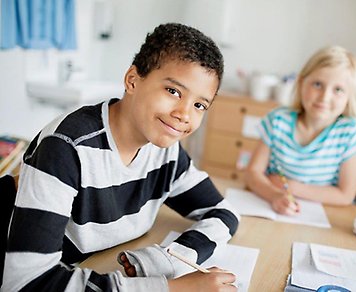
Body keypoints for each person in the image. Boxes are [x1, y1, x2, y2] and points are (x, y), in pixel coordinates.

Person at [3, 23, 240, 292]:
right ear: (132, 80)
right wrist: (172, 289)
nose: (184, 114)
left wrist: (169, 259)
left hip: (96, 268)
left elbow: (224, 213)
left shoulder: (166, 152)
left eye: (199, 105)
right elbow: (26, 284)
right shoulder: (67, 146)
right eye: (173, 91)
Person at [245, 46, 356, 215]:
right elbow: (252, 173)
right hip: (270, 208)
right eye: (317, 84)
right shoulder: (277, 121)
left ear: (350, 96)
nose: (324, 97)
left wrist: (291, 187)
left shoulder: (352, 134)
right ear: (301, 83)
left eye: (338, 90)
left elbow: (345, 195)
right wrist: (275, 195)